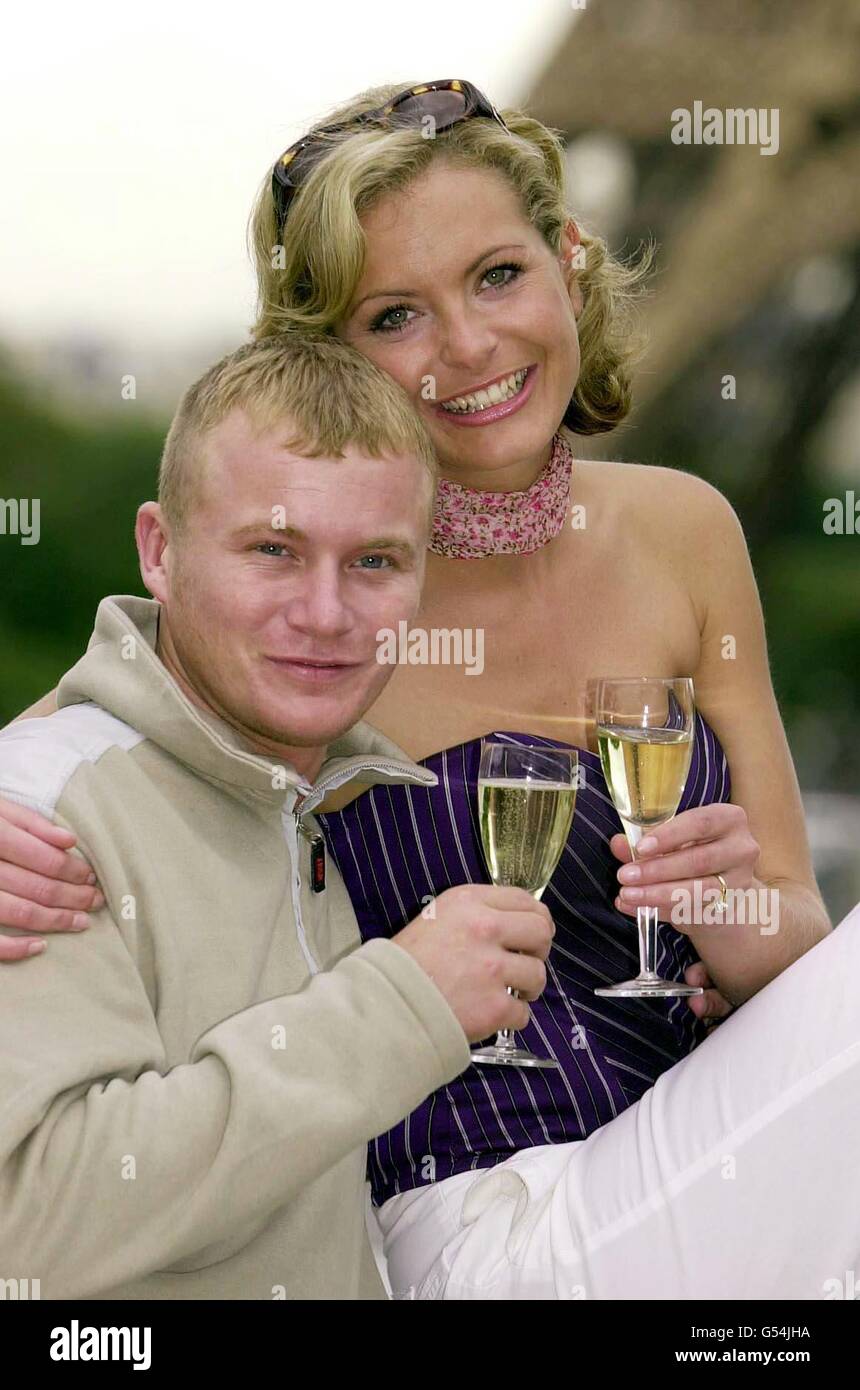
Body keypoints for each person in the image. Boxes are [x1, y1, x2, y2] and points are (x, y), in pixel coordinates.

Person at [3, 78, 857, 1299]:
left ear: (568, 262)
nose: (466, 345)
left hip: (698, 1171)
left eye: (498, 276)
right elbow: (78, 747)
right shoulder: (320, 608)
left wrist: (728, 908)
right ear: (327, 359)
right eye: (396, 314)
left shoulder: (685, 533)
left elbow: (800, 959)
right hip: (462, 1220)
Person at [0, 333, 554, 1299]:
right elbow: (28, 1227)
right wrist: (402, 1007)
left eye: (376, 561)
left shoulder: (340, 810)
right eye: (274, 550)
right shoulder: (42, 820)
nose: (327, 613)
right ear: (160, 553)